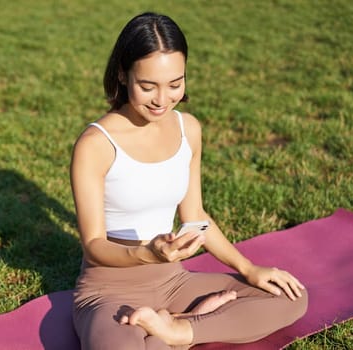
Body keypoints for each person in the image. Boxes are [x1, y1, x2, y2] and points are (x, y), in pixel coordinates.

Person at [69, 12, 308, 349]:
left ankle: (180, 331)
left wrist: (249, 268)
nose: (162, 100)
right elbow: (93, 246)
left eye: (175, 84)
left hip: (173, 282)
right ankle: (183, 325)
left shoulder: (188, 129)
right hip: (108, 290)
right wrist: (150, 253)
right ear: (123, 75)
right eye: (148, 86)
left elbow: (195, 217)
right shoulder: (95, 144)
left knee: (291, 296)